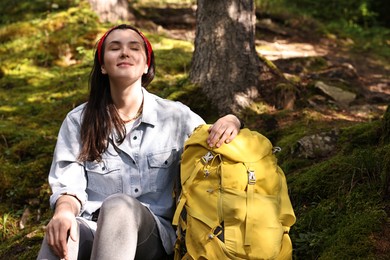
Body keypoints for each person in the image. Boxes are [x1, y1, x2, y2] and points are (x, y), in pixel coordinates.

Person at [37, 24, 242, 260]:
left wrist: (232, 119)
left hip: (153, 237)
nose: (124, 52)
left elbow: (210, 144)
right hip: (93, 229)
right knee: (63, 232)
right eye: (115, 48)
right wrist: (63, 213)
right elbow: (68, 185)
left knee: (117, 206)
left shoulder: (175, 116)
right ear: (103, 65)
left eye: (134, 48)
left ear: (146, 65)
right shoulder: (78, 122)